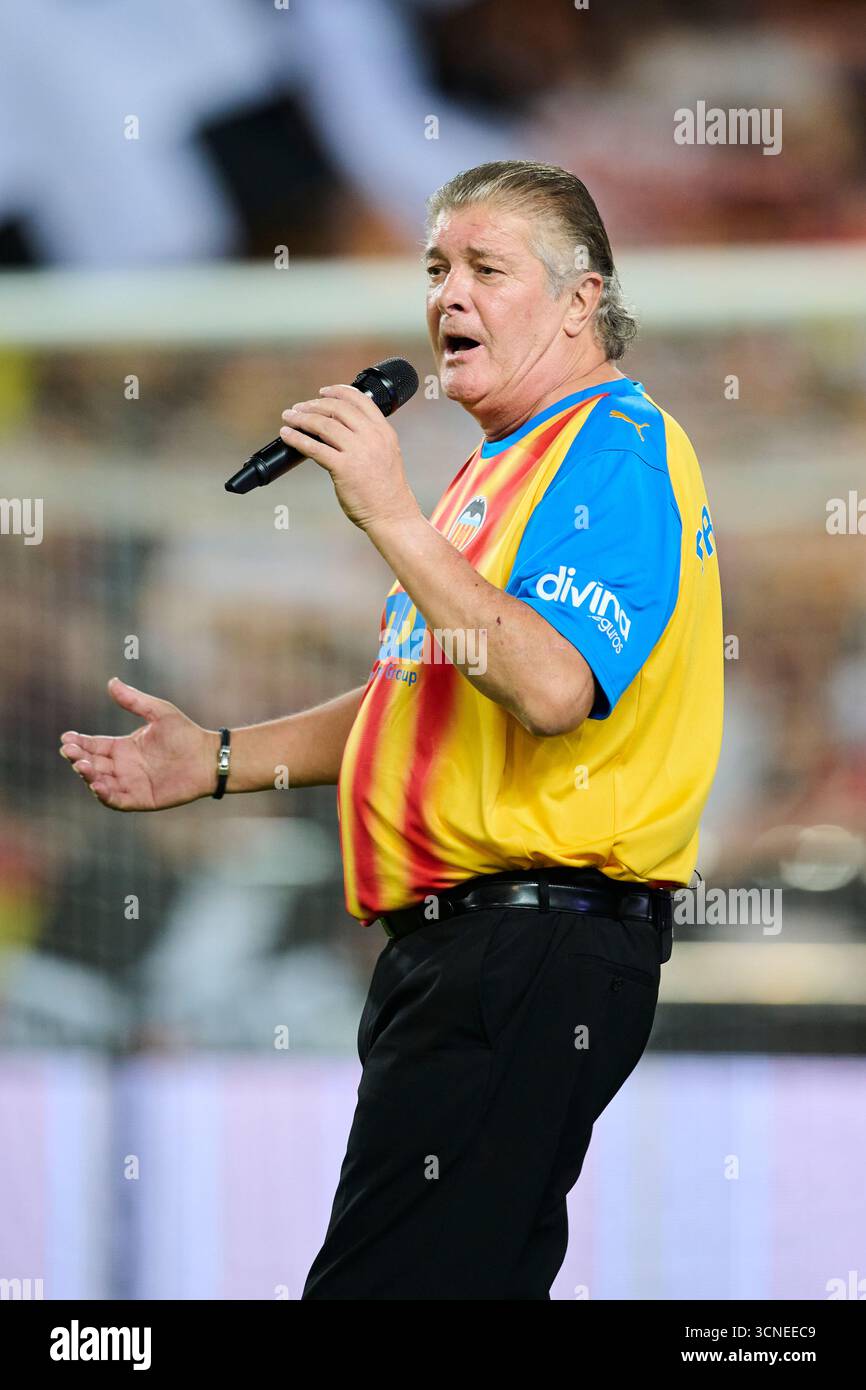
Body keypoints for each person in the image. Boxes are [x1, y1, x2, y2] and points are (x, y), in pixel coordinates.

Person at [59, 161, 723, 1300]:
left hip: (531, 939)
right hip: (464, 950)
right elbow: (422, 695)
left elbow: (553, 684)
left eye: (484, 267)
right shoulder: (492, 473)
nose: (445, 296)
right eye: (433, 268)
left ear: (581, 301)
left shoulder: (610, 448)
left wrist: (389, 514)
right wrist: (220, 757)